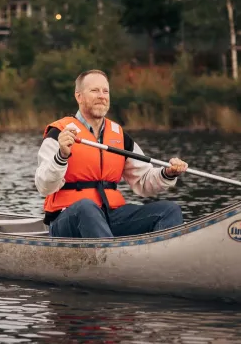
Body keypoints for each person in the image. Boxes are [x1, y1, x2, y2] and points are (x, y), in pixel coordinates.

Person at [36, 69, 189, 239]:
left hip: (110, 216)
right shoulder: (59, 133)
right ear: (79, 97)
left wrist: (168, 173)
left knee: (169, 210)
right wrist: (61, 156)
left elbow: (144, 181)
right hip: (68, 218)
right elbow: (44, 186)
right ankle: (111, 254)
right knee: (86, 207)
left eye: (105, 91)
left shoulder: (119, 136)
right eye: (95, 90)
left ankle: (161, 254)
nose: (101, 96)